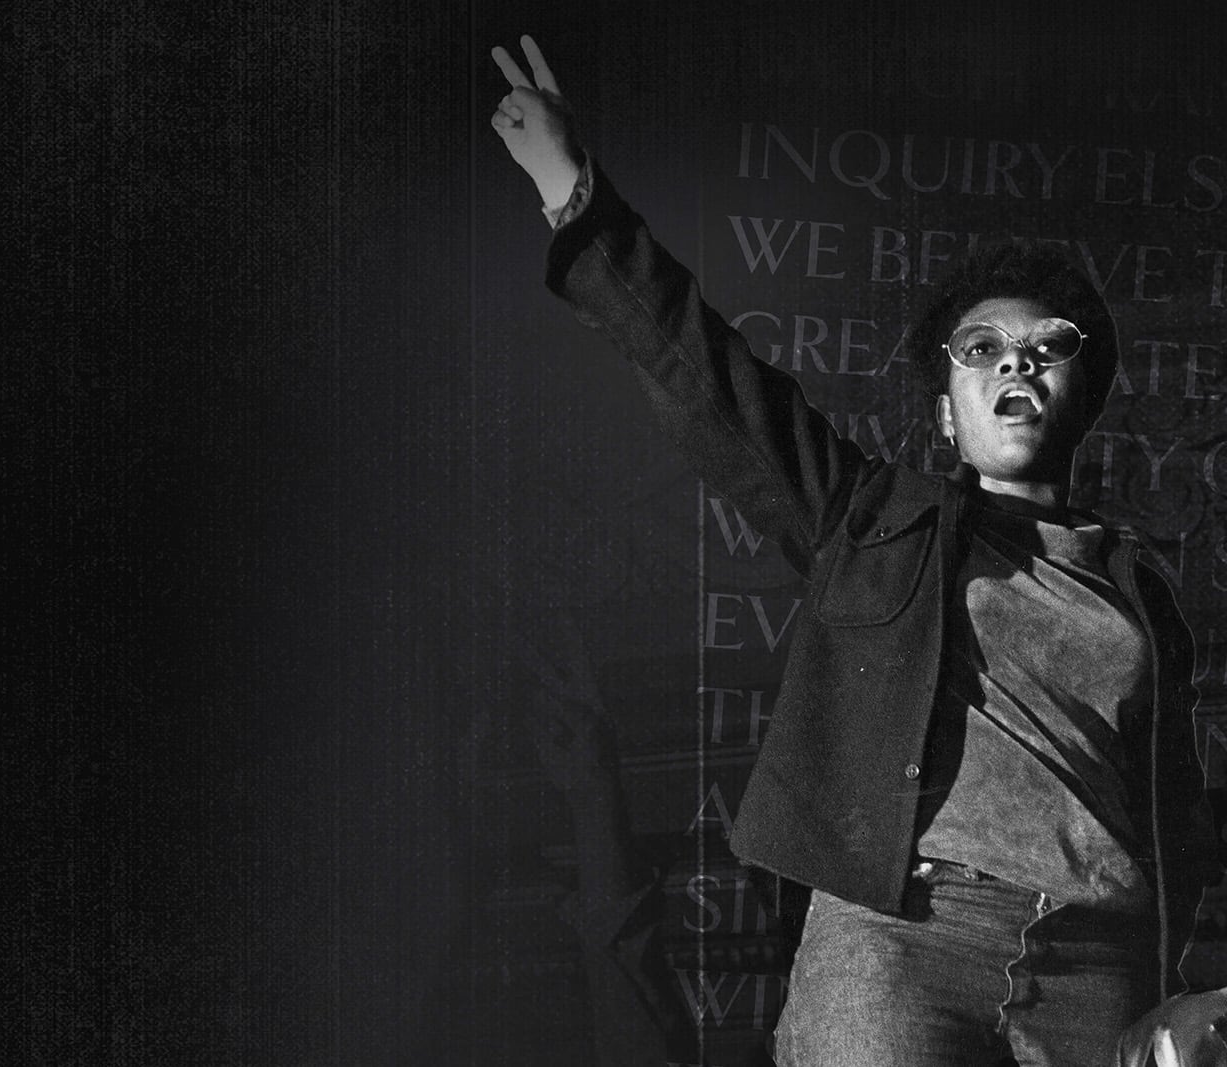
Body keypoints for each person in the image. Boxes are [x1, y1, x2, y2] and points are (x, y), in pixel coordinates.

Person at [488, 34, 1227, 1067]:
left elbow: (1179, 824)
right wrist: (572, 193)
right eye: (981, 347)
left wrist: (1177, 985)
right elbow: (714, 389)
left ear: (1081, 394)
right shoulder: (873, 520)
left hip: (1095, 965)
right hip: (902, 941)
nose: (1017, 355)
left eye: (1050, 342)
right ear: (945, 407)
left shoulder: (1141, 592)